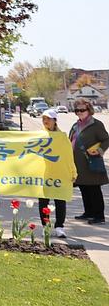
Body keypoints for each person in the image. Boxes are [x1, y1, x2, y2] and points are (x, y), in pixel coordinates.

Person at [69, 98, 108, 225]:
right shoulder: (75, 125)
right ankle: (88, 212)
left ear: (89, 110)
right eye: (77, 110)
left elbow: (106, 140)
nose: (79, 112)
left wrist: (100, 150)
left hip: (91, 162)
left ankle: (99, 215)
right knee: (84, 188)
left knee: (94, 189)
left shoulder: (96, 124)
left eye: (82, 110)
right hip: (78, 163)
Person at [38, 108, 69, 238]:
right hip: (43, 174)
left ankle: (59, 227)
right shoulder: (39, 135)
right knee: (43, 201)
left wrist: (73, 172)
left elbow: (69, 156)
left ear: (55, 120)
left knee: (60, 201)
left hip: (60, 174)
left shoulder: (62, 137)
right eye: (44, 119)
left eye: (48, 119)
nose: (46, 121)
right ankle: (45, 226)